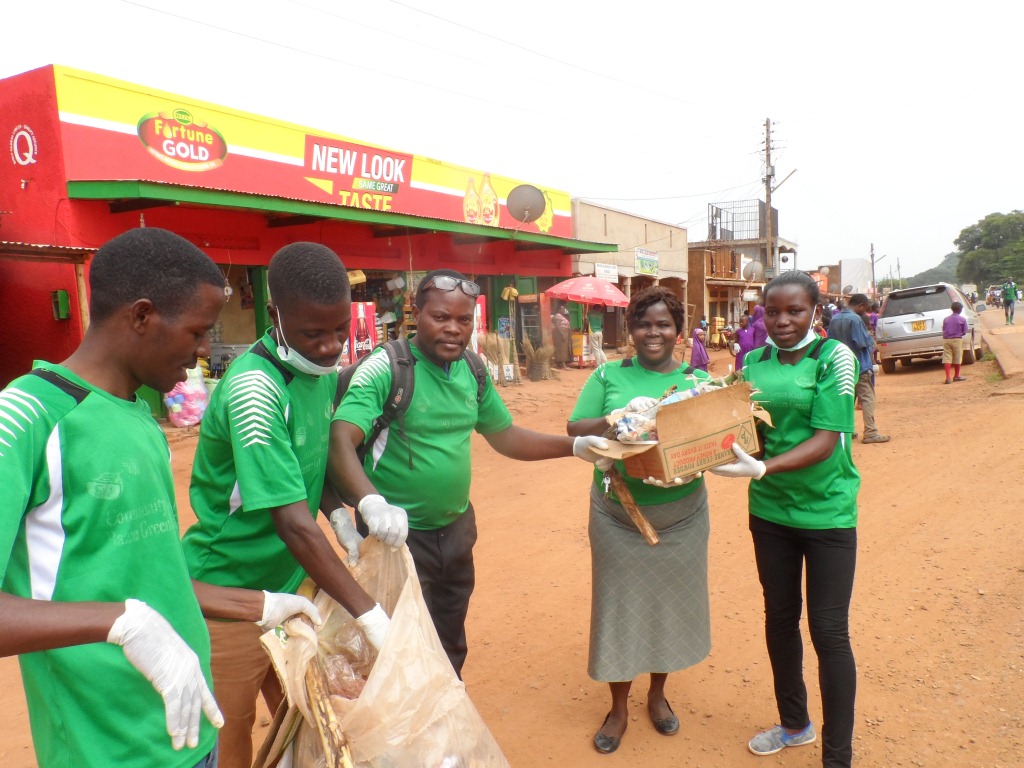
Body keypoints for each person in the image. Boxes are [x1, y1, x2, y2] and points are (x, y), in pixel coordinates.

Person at [0, 228, 322, 768]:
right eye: (198, 332)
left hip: (190, 728)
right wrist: (119, 624)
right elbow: (126, 610)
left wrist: (260, 605)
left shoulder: (140, 417)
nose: (202, 354)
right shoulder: (26, 417)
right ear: (142, 316)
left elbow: (152, 577)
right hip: (106, 747)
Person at [327, 268, 608, 678]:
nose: (454, 329)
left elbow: (505, 436)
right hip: (396, 539)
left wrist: (574, 446)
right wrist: (371, 504)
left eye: (464, 320)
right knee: (397, 643)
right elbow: (340, 440)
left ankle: (447, 718)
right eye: (441, 317)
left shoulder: (472, 370)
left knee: (450, 636)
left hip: (456, 531)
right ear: (416, 313)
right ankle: (403, 736)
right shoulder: (387, 369)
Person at [181, 242, 390, 768]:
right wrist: (369, 612)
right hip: (228, 590)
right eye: (313, 333)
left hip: (288, 584)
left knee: (304, 712)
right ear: (275, 316)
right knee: (230, 732)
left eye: (340, 329)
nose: (329, 347)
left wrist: (339, 511)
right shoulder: (255, 389)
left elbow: (306, 459)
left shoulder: (316, 374)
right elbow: (294, 525)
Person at [709, 269, 860, 768]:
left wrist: (765, 466)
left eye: (794, 311)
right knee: (779, 619)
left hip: (827, 514)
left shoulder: (834, 358)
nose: (782, 321)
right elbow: (741, 424)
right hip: (770, 512)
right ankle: (794, 725)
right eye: (772, 312)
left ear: (815, 310)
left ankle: (838, 757)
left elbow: (824, 441)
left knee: (829, 632)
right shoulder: (752, 361)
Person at [566, 286, 712, 755]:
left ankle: (658, 695)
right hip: (618, 513)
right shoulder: (609, 375)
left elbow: (714, 435)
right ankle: (618, 707)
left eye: (663, 324)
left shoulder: (696, 379)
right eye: (644, 324)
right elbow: (574, 427)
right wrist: (612, 418)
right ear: (631, 330)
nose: (654, 333)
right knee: (618, 606)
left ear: (678, 332)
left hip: (683, 515)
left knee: (668, 605)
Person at [828, 293, 890, 444]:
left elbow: (829, 342)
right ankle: (871, 432)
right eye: (865, 307)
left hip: (840, 367)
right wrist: (870, 339)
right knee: (867, 397)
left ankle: (846, 431)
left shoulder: (834, 319)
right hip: (859, 366)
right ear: (860, 305)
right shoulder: (855, 319)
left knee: (846, 399)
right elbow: (862, 342)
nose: (866, 311)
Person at [942, 301, 969, 384]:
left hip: (946, 340)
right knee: (957, 357)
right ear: (960, 310)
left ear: (952, 309)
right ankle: (957, 376)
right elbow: (965, 331)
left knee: (947, 358)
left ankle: (948, 378)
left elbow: (943, 329)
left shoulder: (946, 319)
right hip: (957, 339)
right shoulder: (962, 319)